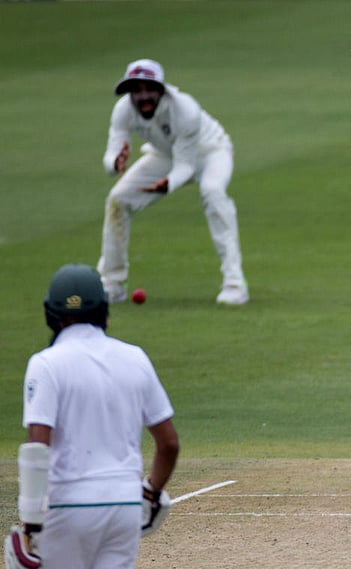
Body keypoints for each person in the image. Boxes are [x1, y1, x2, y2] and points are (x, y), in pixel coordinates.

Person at [5, 263, 180, 569]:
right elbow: (169, 444)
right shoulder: (135, 358)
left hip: (67, 506)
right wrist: (151, 493)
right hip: (124, 506)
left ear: (51, 313)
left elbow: (37, 449)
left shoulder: (45, 364)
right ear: (103, 310)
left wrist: (31, 523)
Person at [98, 58, 249, 305]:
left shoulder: (185, 110)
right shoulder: (122, 110)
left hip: (211, 152)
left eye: (149, 89)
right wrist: (115, 163)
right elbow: (112, 153)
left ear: (161, 90)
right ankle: (113, 283)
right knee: (119, 199)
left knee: (212, 191)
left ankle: (235, 283)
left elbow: (186, 167)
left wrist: (167, 184)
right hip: (165, 155)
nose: (143, 96)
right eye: (136, 90)